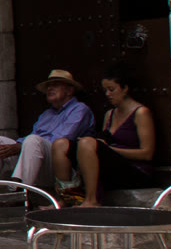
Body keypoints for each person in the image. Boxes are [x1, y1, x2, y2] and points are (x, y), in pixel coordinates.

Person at [52, 65, 157, 206]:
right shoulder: (110, 114)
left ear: (125, 88)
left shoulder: (141, 113)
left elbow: (147, 154)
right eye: (105, 90)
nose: (108, 94)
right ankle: (66, 198)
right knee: (60, 144)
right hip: (110, 169)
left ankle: (91, 200)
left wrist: (109, 149)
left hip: (136, 171)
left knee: (87, 143)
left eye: (112, 89)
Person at [0, 69, 94, 187]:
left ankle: (22, 189)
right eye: (48, 86)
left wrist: (21, 146)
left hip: (62, 166)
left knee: (32, 140)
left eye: (55, 85)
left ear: (69, 91)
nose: (50, 88)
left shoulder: (79, 110)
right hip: (36, 161)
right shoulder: (47, 114)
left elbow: (61, 141)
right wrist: (17, 146)